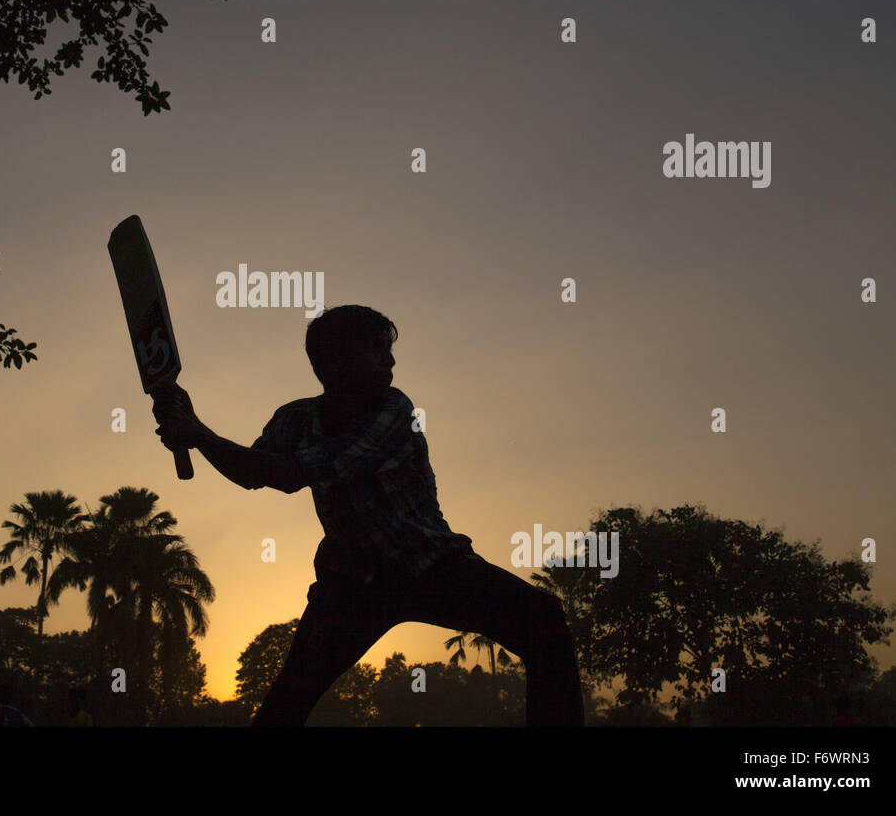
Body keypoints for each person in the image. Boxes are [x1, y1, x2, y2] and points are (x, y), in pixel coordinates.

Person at [153, 304, 584, 726]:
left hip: (430, 567)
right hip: (352, 582)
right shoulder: (295, 419)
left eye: (387, 348)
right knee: (288, 701)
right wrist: (193, 426)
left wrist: (198, 433)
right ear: (334, 363)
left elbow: (288, 476)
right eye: (376, 348)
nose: (391, 359)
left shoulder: (395, 412)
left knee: (542, 620)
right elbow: (250, 472)